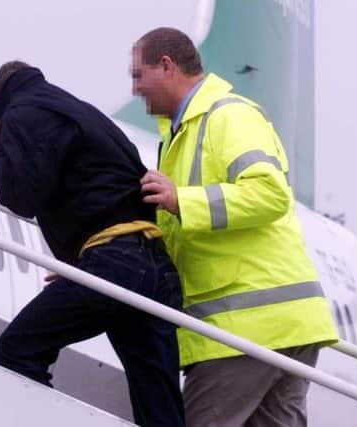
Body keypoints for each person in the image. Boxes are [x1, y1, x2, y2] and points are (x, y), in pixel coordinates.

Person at [131, 27, 339, 427]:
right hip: (286, 324)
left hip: (244, 329)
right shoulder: (181, 134)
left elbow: (270, 193)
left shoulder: (228, 116)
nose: (136, 88)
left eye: (140, 75)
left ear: (167, 66)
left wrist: (183, 200)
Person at [0, 60, 185, 427]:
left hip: (115, 264)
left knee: (17, 351)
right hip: (153, 268)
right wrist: (85, 262)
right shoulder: (81, 112)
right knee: (159, 409)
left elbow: (22, 196)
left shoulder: (24, 111)